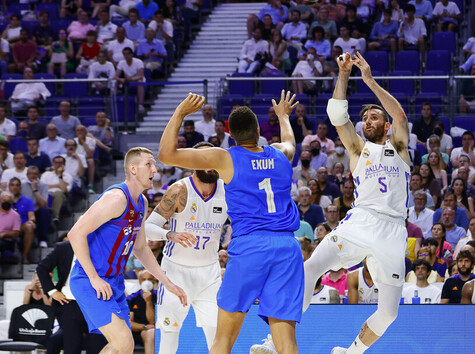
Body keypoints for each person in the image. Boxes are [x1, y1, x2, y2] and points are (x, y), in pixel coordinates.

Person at [159, 90, 302, 354]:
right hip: (287, 247)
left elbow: (166, 154)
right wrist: (283, 117)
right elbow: (290, 141)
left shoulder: (225, 157)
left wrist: (180, 112)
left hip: (251, 247)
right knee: (287, 342)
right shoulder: (281, 154)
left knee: (222, 341)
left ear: (230, 134)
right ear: (258, 129)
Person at [296, 51, 411, 354]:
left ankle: (351, 352)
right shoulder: (358, 149)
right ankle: (275, 340)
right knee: (310, 269)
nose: (367, 121)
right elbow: (338, 117)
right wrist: (344, 74)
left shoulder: (399, 148)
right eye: (364, 118)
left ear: (385, 126)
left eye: (374, 117)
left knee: (388, 313)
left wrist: (369, 80)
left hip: (393, 230)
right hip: (361, 221)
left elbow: (400, 116)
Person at [66, 147, 186, 354]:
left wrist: (167, 282)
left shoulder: (142, 202)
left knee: (125, 346)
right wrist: (94, 278)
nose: (155, 169)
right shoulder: (116, 198)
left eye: (154, 164)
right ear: (132, 168)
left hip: (114, 281)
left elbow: (140, 248)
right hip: (91, 280)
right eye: (149, 164)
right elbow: (75, 234)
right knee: (122, 342)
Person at [143, 141, 227, 352]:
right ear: (192, 162)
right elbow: (148, 227)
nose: (210, 163)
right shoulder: (179, 190)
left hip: (210, 273)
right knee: (169, 336)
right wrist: (170, 234)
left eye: (213, 158)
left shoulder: (227, 191)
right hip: (175, 273)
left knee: (217, 336)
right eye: (203, 158)